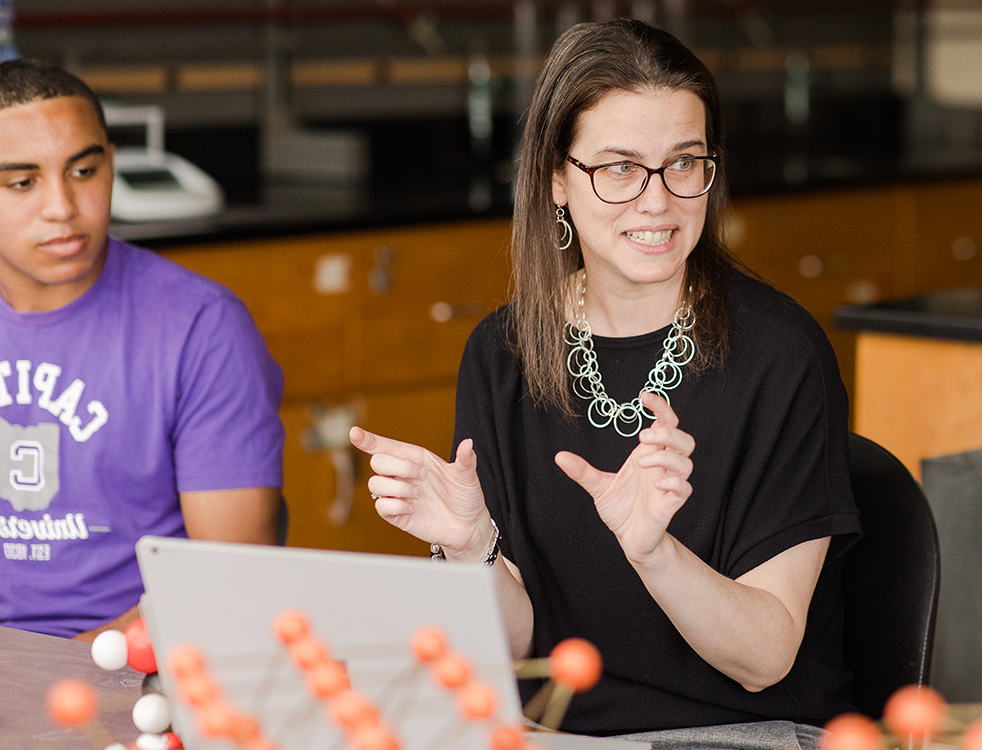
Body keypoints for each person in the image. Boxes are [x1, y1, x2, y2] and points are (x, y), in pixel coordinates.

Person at [349, 18, 860, 747]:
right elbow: (516, 647)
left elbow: (765, 659)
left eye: (685, 163)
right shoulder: (500, 352)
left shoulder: (782, 356)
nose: (658, 201)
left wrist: (654, 550)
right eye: (619, 167)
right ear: (558, 178)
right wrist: (471, 549)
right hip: (552, 733)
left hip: (743, 729)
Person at [0, 59, 285, 640]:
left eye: (83, 170)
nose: (62, 206)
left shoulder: (202, 327)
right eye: (22, 181)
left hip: (134, 672)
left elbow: (227, 578)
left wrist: (51, 677)